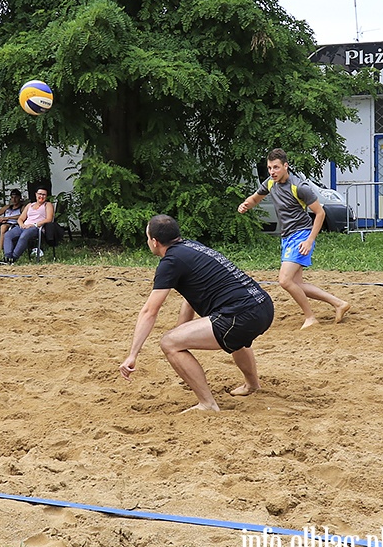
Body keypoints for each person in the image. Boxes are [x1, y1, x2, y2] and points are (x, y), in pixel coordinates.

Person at [119, 215, 275, 412]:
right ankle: (252, 384)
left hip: (241, 315)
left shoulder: (170, 262)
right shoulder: (191, 246)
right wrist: (181, 332)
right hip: (263, 305)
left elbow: (150, 311)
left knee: (168, 342)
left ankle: (207, 404)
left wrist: (132, 355)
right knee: (232, 337)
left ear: (154, 241)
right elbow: (189, 299)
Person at [238, 148, 350, 329]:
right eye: (269, 168)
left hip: (301, 235)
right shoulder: (270, 183)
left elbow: (320, 213)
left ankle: (310, 317)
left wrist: (310, 240)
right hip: (287, 237)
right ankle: (339, 303)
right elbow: (255, 199)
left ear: (285, 166)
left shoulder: (299, 187)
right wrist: (245, 205)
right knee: (296, 284)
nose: (272, 171)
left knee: (284, 280)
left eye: (276, 167)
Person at [0, 187, 54, 264]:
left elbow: (49, 219)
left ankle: (13, 258)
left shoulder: (47, 205)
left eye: (44, 195)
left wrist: (34, 224)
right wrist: (22, 224)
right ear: (36, 194)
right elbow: (20, 218)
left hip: (36, 228)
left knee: (24, 235)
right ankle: (7, 257)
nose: (41, 196)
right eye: (40, 194)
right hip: (24, 226)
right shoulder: (29, 205)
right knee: (8, 235)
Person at [0, 188, 24, 253]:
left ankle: (0, 251)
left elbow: (23, 216)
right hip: (2, 223)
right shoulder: (7, 207)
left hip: (13, 225)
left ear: (19, 198)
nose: (14, 199)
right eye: (12, 197)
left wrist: (8, 218)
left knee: (3, 227)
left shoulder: (22, 207)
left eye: (16, 197)